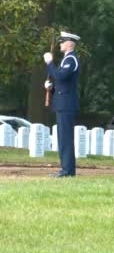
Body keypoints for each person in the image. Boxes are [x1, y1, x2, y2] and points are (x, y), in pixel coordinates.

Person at [43, 31, 81, 178]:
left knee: (65, 138)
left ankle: (67, 171)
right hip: (63, 103)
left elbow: (60, 76)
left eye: (62, 41)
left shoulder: (71, 59)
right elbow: (61, 82)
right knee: (63, 138)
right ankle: (66, 169)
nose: (60, 44)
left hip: (66, 104)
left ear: (70, 44)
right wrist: (51, 88)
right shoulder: (67, 59)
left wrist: (50, 63)